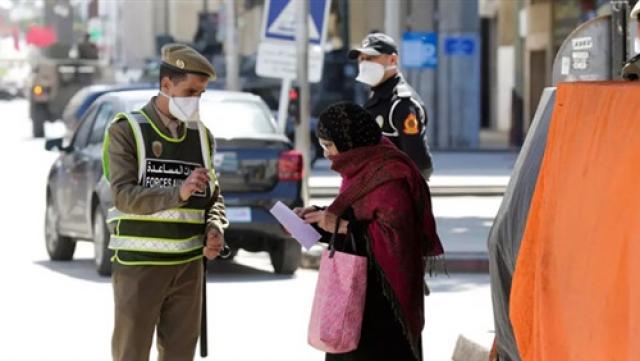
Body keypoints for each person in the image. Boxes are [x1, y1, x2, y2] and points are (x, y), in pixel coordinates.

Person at [103, 43, 228, 361]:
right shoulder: (126, 130)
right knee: (131, 353)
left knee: (179, 355)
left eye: (201, 93)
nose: (196, 100)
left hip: (188, 267)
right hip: (139, 265)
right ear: (165, 85)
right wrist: (178, 193)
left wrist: (214, 226)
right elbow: (123, 195)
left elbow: (213, 197)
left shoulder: (202, 136)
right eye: (190, 91)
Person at [296, 103, 444, 361]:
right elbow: (353, 218)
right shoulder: (359, 169)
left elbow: (397, 236)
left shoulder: (390, 173)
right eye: (322, 146)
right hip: (352, 298)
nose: (327, 153)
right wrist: (316, 217)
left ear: (349, 141)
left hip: (383, 303)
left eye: (329, 145)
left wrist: (339, 225)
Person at [348, 32, 434, 179]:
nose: (364, 63)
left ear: (393, 59)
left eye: (371, 58)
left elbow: (420, 164)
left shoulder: (401, 104)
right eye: (361, 59)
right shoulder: (377, 97)